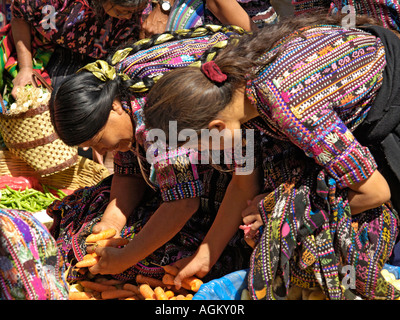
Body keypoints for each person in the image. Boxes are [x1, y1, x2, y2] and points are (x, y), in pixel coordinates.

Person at [142, 14, 400, 299]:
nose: (203, 154)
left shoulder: (289, 107)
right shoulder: (236, 102)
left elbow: (376, 192)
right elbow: (242, 185)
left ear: (216, 128)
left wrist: (281, 218)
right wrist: (206, 254)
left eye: (200, 147)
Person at [48, 25, 256, 285]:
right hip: (226, 154)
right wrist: (111, 223)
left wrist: (126, 258)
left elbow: (183, 203)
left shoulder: (155, 116)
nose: (101, 152)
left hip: (241, 161)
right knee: (86, 218)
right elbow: (128, 170)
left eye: (99, 141)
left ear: (114, 107)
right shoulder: (117, 89)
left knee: (158, 259)